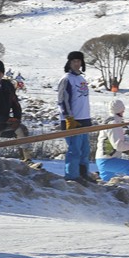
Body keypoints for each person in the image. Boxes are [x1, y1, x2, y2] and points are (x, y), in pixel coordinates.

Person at [0, 60, 40, 168]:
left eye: (0, 72)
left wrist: (17, 119)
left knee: (21, 130)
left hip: (3, 124)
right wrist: (7, 120)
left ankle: (27, 161)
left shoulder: (7, 85)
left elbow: (15, 103)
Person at [57, 51, 93, 183]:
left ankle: (83, 173)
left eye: (79, 61)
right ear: (69, 63)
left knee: (85, 150)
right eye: (74, 61)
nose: (77, 64)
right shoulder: (66, 79)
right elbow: (62, 100)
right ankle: (72, 175)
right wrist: (68, 117)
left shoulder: (82, 79)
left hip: (84, 119)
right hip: (72, 120)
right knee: (74, 150)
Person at [95, 100, 129, 181]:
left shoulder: (109, 121)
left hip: (102, 159)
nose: (123, 112)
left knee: (108, 188)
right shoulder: (114, 124)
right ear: (119, 110)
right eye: (123, 110)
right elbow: (118, 146)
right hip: (107, 160)